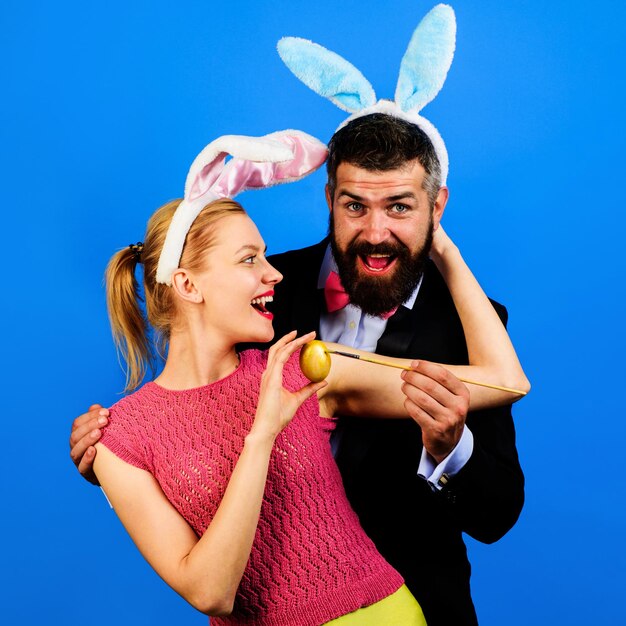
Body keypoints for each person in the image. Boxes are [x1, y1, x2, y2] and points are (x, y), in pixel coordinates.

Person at [70, 115, 528, 625]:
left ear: (435, 207)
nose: (377, 231)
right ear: (330, 198)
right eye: (356, 205)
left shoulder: (462, 325)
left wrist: (450, 449)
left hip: (406, 599)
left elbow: (499, 494)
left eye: (400, 207)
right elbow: (192, 425)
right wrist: (122, 466)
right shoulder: (265, 309)